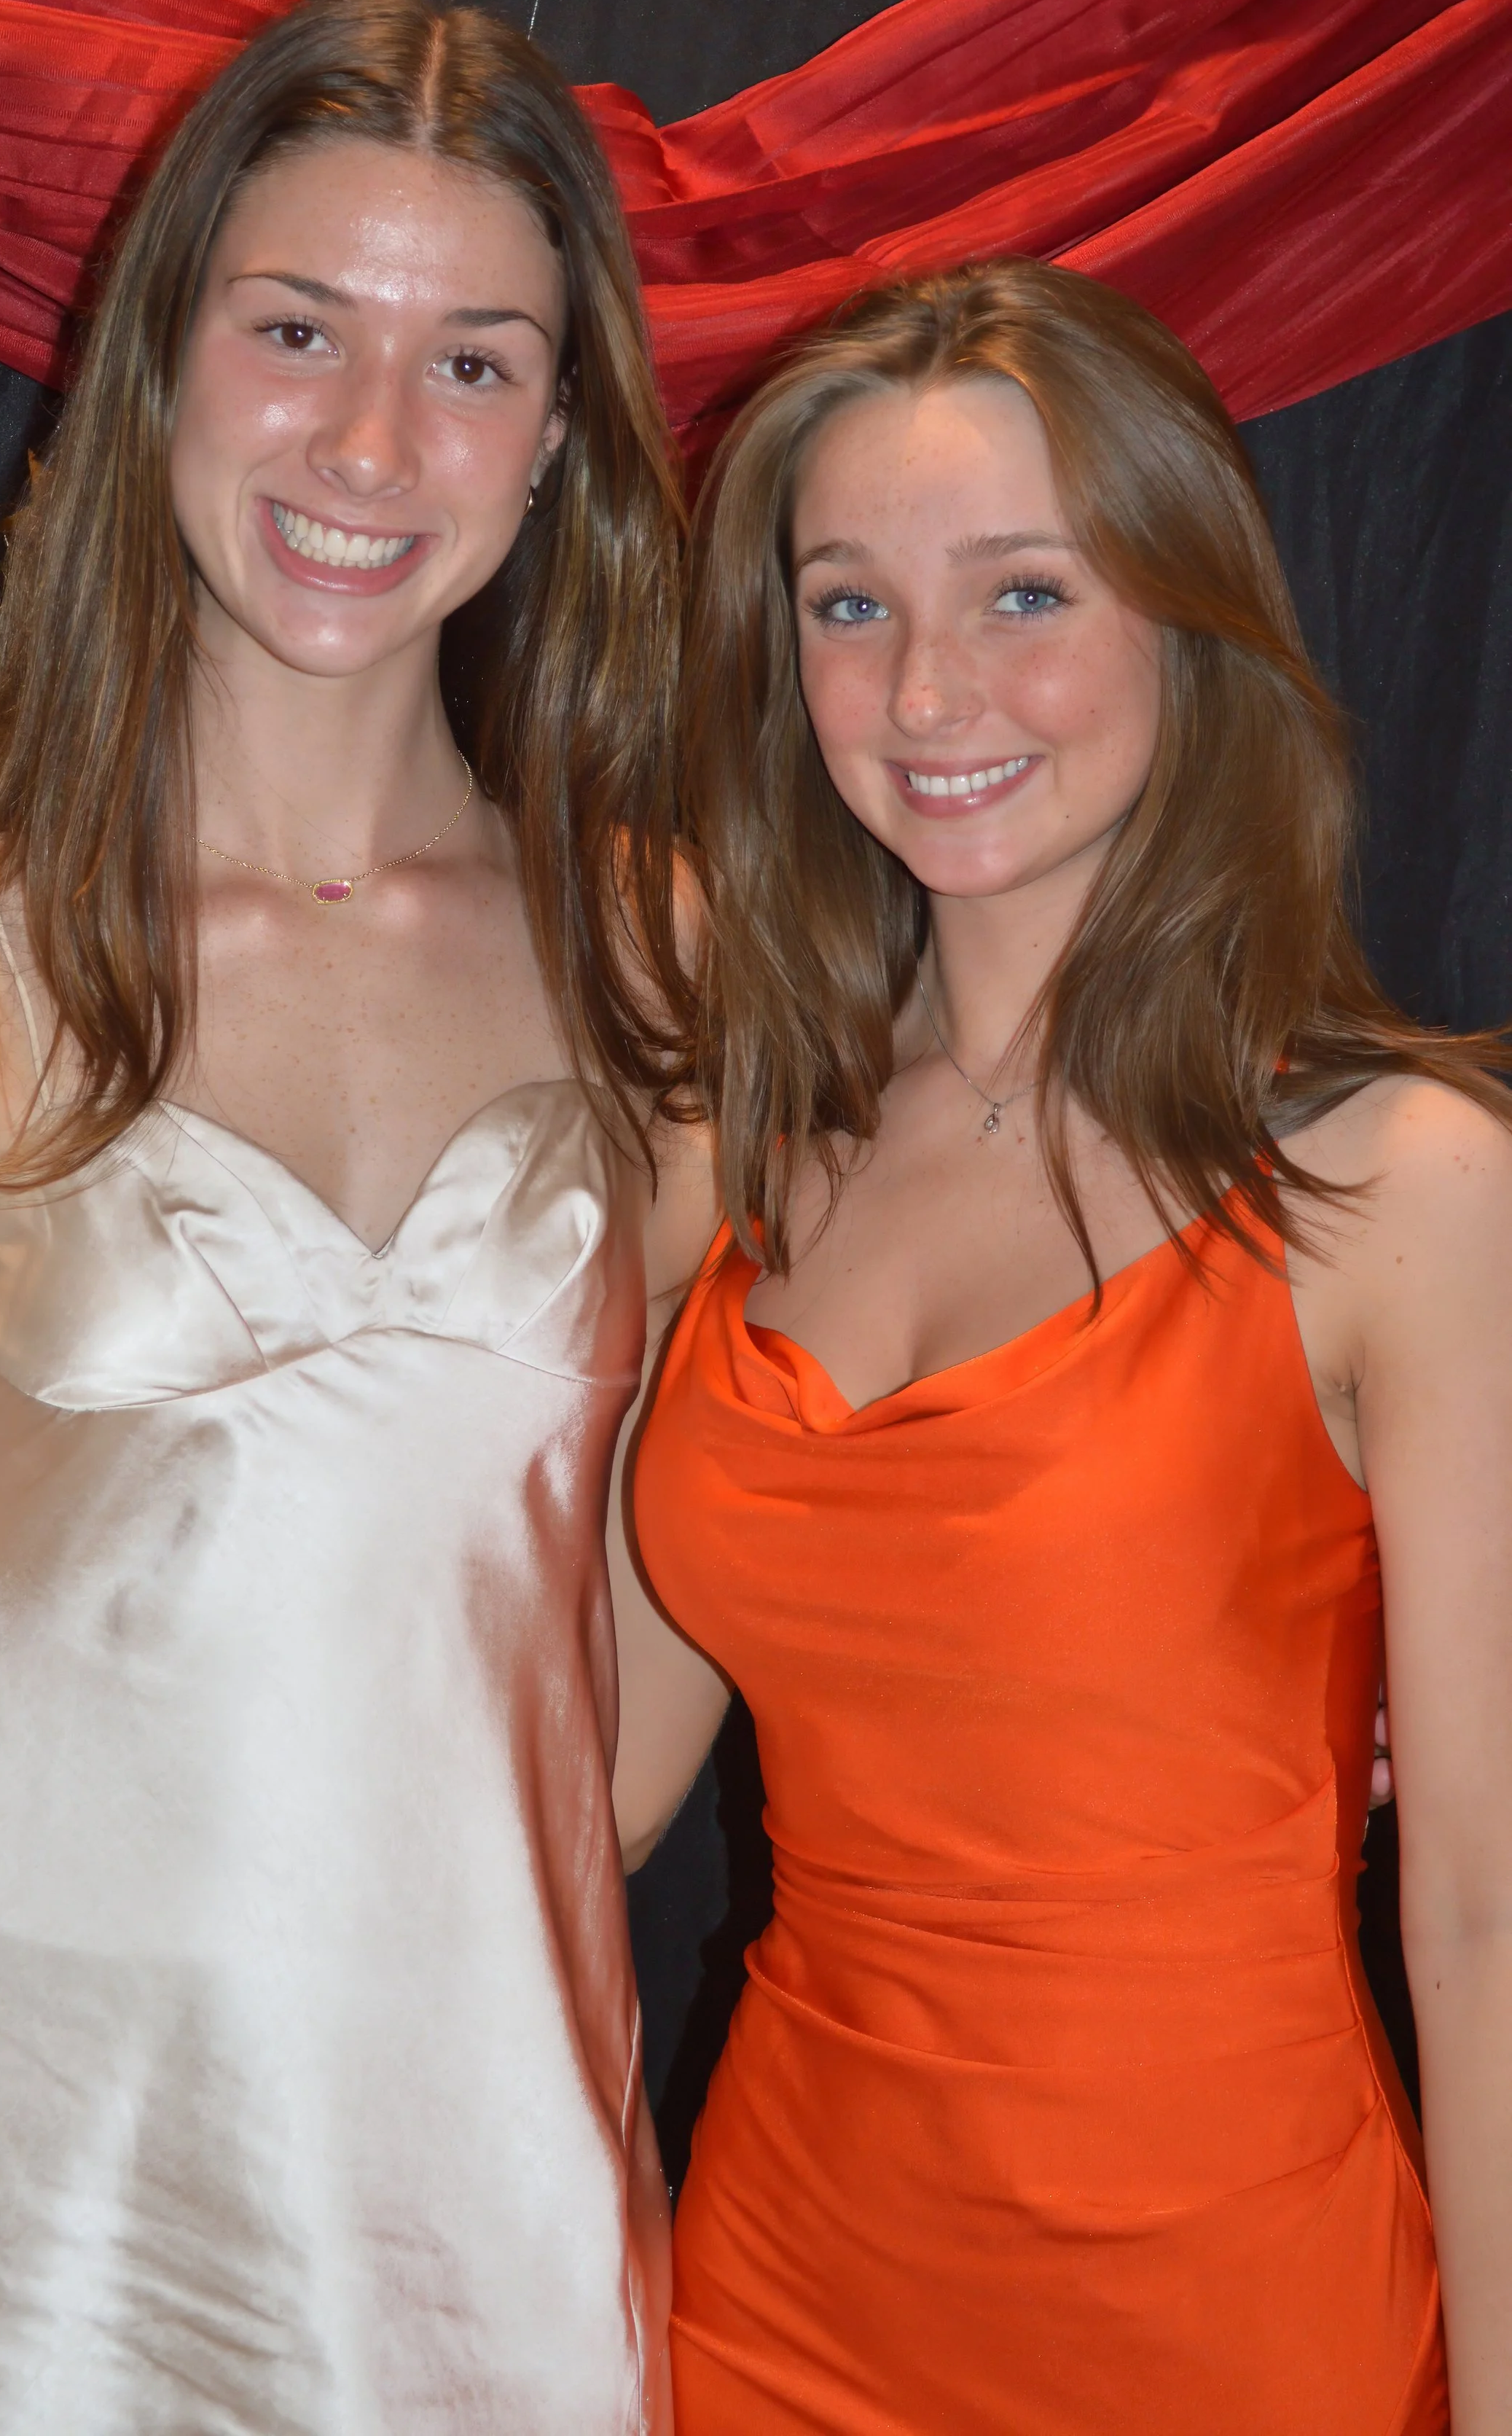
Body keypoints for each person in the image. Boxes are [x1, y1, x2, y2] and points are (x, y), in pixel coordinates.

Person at [0, 0, 714, 2436]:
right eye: (295, 331)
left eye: (472, 362)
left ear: (558, 437)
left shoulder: (670, 965)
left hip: (485, 2208)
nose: (371, 438)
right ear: (157, 357)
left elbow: (703, 1585)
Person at [611, 263, 1512, 2432]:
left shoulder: (1399, 1190)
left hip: (1230, 2320)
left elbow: (1484, 1917)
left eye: (1023, 593)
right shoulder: (738, 1148)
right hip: (769, 2312)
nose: (926, 689)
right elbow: (557, 1798)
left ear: (1184, 623)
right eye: (847, 605)